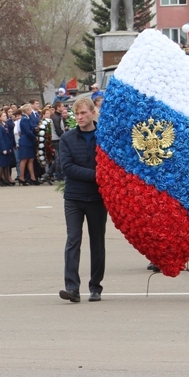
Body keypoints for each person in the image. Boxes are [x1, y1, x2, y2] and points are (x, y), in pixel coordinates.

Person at [58, 97, 107, 302]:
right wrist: (97, 175)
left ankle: (95, 286)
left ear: (92, 113)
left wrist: (103, 176)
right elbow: (67, 167)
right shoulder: (67, 139)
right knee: (73, 240)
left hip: (97, 199)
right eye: (76, 114)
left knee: (97, 243)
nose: (79, 117)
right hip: (74, 197)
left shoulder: (104, 137)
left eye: (83, 113)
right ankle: (72, 287)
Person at [17, 104, 37, 185]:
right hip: (25, 141)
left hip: (29, 141)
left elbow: (31, 127)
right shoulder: (24, 119)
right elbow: (27, 131)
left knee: (31, 159)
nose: (31, 111)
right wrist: (34, 137)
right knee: (24, 159)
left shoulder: (28, 118)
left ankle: (33, 177)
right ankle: (21, 177)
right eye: (30, 109)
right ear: (26, 111)